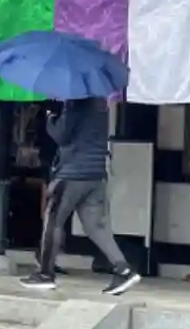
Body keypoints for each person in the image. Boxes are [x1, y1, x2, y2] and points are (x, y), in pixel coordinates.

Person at [21, 98, 139, 295]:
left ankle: (45, 274)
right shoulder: (101, 104)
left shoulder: (75, 103)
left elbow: (61, 135)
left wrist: (50, 116)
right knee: (96, 228)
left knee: (53, 221)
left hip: (72, 175)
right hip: (96, 175)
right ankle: (123, 269)